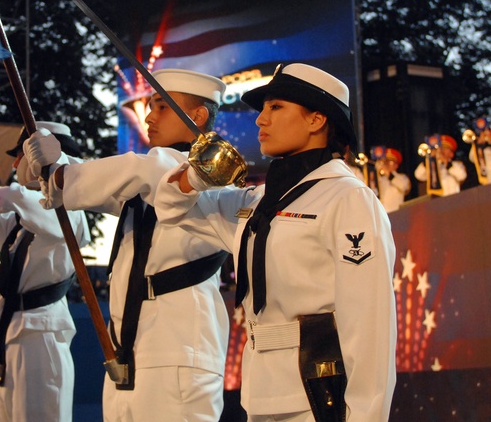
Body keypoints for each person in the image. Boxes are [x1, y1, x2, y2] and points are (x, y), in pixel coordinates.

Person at [153, 62, 397, 421]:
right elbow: (171, 207)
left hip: (319, 398)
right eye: (263, 109)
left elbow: (370, 325)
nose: (260, 120)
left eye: (275, 107)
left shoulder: (348, 199)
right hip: (261, 395)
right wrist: (199, 172)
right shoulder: (256, 201)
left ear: (317, 120)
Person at [23, 69, 232, 422]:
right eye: (149, 106)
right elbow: (111, 184)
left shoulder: (202, 176)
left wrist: (59, 172)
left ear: (197, 116)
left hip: (177, 350)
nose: (148, 116)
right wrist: (50, 171)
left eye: (162, 106)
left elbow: (135, 170)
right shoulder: (154, 178)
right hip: (132, 350)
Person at [0, 121, 90, 422]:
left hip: (39, 338)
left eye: (21, 154)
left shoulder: (69, 208)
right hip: (5, 336)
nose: (14, 163)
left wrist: (15, 192)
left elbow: (27, 205)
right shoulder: (17, 221)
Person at [375, 147, 411, 212]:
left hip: (396, 213)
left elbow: (404, 187)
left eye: (390, 162)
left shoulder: (402, 177)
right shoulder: (379, 178)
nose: (387, 164)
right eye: (385, 161)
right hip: (382, 214)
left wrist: (389, 175)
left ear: (396, 165)